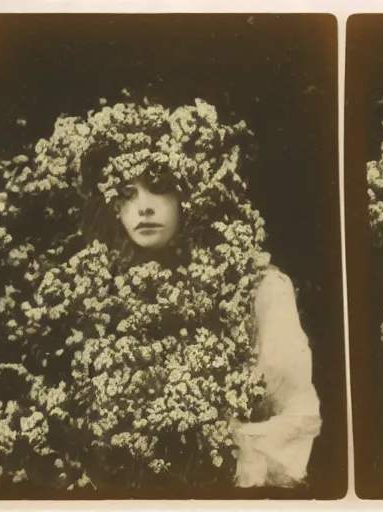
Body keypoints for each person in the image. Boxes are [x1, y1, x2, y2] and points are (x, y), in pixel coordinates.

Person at [89, 144, 322, 487]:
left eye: (160, 189)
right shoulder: (101, 294)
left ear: (191, 195)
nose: (144, 207)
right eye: (127, 193)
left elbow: (297, 412)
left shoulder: (258, 287)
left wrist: (224, 445)